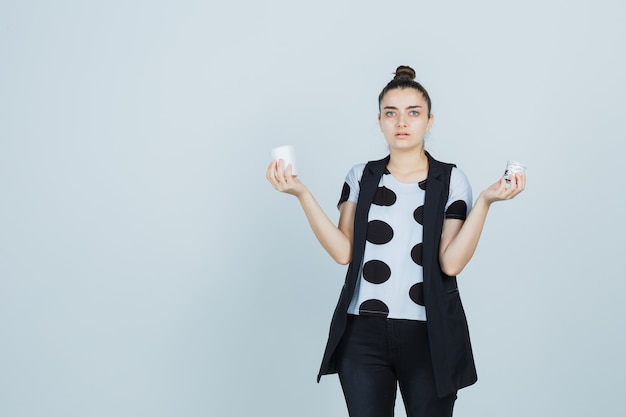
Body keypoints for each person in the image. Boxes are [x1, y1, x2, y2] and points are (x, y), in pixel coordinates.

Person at [265, 65, 526, 417]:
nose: (401, 122)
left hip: (430, 334)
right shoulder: (362, 176)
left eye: (413, 113)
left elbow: (450, 263)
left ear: (429, 121)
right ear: (380, 121)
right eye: (391, 113)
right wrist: (302, 194)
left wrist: (485, 202)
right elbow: (344, 252)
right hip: (362, 336)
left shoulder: (450, 179)